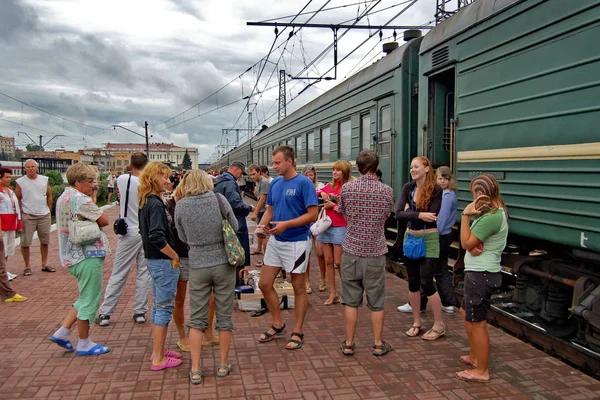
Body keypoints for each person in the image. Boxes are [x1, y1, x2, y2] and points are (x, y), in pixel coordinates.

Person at [175, 169, 238, 384]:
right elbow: (235, 227)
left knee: (197, 319)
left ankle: (195, 369)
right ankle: (222, 365)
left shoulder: (181, 205)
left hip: (197, 265)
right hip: (223, 263)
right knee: (224, 317)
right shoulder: (219, 199)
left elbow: (182, 236)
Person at [256, 146, 318, 350]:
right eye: (273, 163)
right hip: (276, 240)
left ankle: (298, 330)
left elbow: (313, 215)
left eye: (277, 163)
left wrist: (286, 224)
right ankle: (278, 323)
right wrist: (262, 226)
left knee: (298, 287)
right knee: (265, 283)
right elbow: (270, 210)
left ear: (289, 162)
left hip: (297, 241)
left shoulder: (304, 183)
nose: (274, 167)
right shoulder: (275, 184)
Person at [337, 150, 394, 356]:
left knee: (350, 300)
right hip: (375, 251)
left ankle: (350, 343)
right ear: (376, 167)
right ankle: (378, 343)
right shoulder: (387, 191)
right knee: (376, 301)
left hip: (351, 250)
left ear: (358, 168)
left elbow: (342, 211)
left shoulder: (347, 189)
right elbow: (386, 215)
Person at [49, 164, 110, 355]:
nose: (93, 185)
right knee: (90, 299)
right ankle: (84, 343)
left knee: (84, 295)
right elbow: (104, 220)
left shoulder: (64, 197)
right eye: (89, 181)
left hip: (70, 255)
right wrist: (92, 199)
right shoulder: (81, 199)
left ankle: (63, 331)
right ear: (77, 182)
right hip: (87, 254)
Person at [457, 174, 509, 383]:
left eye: (474, 194)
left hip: (482, 274)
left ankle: (482, 370)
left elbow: (465, 242)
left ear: (481, 194)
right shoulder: (494, 213)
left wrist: (465, 215)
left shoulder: (492, 216)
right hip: (481, 271)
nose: (473, 199)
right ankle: (474, 356)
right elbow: (478, 241)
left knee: (477, 322)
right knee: (465, 312)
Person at [96, 153, 151, 326]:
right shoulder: (148, 184)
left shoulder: (122, 179)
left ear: (130, 164)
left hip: (128, 232)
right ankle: (140, 312)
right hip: (146, 232)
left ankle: (105, 313)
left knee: (119, 272)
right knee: (144, 273)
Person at [396, 156, 446, 340]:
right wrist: (418, 214)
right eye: (411, 167)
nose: (412, 169)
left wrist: (411, 212)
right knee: (413, 282)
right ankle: (416, 322)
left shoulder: (436, 190)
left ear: (427, 169)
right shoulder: (408, 188)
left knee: (427, 282)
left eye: (416, 166)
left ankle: (439, 325)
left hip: (429, 239)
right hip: (411, 238)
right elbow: (399, 213)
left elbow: (432, 215)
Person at [138, 162, 182, 371]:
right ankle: (158, 358)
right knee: (164, 308)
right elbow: (156, 235)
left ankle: (160, 350)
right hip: (163, 262)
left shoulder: (147, 201)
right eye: (163, 176)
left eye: (168, 176)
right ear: (151, 178)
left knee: (158, 306)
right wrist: (174, 256)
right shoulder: (155, 204)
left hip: (154, 261)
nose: (168, 180)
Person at [397, 165, 458, 314]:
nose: (442, 181)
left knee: (426, 273)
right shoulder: (448, 194)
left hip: (438, 235)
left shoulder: (445, 195)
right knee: (439, 269)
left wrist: (409, 212)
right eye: (440, 178)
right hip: (443, 235)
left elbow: (438, 219)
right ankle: (447, 302)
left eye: (445, 178)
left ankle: (419, 304)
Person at [213, 161, 254, 285]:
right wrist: (249, 208)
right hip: (235, 224)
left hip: (223, 222)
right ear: (236, 169)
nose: (241, 175)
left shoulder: (218, 181)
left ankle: (230, 282)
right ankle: (237, 283)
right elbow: (235, 204)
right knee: (238, 255)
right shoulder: (230, 183)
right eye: (241, 172)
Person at [317, 161, 350, 305]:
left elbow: (348, 208)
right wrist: (322, 193)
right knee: (328, 261)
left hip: (340, 226)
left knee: (339, 262)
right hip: (326, 226)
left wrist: (333, 205)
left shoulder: (348, 188)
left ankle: (346, 292)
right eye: (333, 170)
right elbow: (316, 191)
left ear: (345, 172)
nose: (335, 172)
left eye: (338, 170)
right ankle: (333, 293)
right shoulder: (330, 186)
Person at [15, 159, 54, 276]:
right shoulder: (20, 182)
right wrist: (21, 213)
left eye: (33, 166)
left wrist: (49, 210)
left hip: (44, 214)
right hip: (28, 215)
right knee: (25, 242)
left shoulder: (44, 179)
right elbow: (18, 198)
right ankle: (27, 266)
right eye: (28, 167)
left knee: (45, 241)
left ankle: (44, 264)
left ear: (37, 168)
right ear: (25, 169)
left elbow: (49, 195)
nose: (31, 169)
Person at [301, 165, 326, 294]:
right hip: (305, 222)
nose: (309, 177)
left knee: (320, 253)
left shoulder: (320, 186)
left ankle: (322, 277)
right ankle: (307, 281)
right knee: (306, 253)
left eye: (311, 175)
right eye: (306, 175)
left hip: (318, 223)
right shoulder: (301, 186)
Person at [0, 168, 21, 282]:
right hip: (2, 224)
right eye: (6, 177)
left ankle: (4, 271)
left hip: (11, 222)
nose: (8, 179)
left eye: (9, 177)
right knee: (2, 249)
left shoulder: (10, 190)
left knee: (7, 249)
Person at [249, 164, 269, 266]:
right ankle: (261, 252)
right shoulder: (258, 182)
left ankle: (266, 260)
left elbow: (262, 199)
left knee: (264, 234)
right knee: (260, 233)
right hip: (262, 211)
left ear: (259, 172)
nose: (252, 177)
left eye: (254, 174)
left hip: (265, 211)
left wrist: (255, 213)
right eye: (250, 175)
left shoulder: (264, 182)